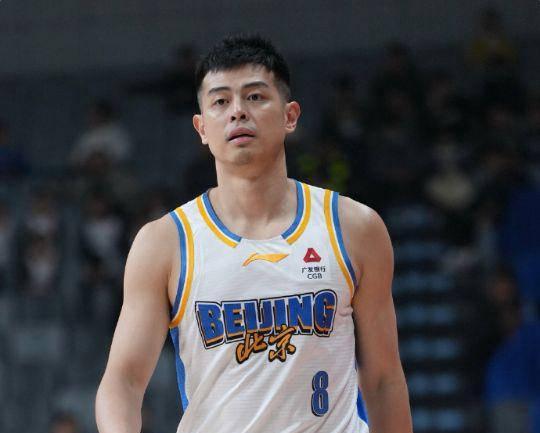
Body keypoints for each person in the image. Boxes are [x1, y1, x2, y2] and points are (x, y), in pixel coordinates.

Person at [96, 34, 412, 433]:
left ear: (290, 116)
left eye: (255, 97)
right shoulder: (165, 242)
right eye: (220, 102)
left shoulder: (354, 227)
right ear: (201, 128)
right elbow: (123, 382)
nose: (238, 112)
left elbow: (383, 379)